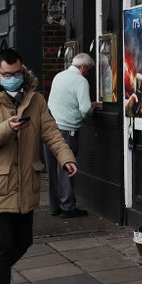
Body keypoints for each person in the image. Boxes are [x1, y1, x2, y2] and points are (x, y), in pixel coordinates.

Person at [0, 48, 76, 284]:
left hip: (26, 184)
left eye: (17, 74)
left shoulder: (36, 100)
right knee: (1, 246)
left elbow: (51, 132)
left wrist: (66, 158)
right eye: (7, 75)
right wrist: (7, 128)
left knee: (24, 241)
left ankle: (2, 271)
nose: (13, 78)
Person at [46, 53, 100, 218]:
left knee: (53, 170)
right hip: (67, 130)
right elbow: (84, 110)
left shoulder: (59, 76)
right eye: (88, 70)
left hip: (50, 128)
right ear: (83, 67)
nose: (88, 74)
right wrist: (92, 108)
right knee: (67, 169)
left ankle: (55, 207)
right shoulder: (80, 81)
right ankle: (68, 207)